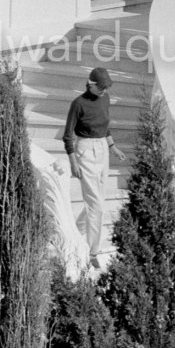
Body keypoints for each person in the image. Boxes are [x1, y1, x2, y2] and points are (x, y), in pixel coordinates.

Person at [62, 67, 125, 268]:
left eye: (107, 88)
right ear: (91, 84)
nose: (105, 91)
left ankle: (75, 230)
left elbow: (105, 124)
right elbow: (67, 135)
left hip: (102, 150)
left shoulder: (105, 99)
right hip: (85, 151)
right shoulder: (78, 104)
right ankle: (92, 253)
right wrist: (73, 161)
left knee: (96, 200)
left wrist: (113, 146)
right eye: (102, 87)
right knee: (96, 203)